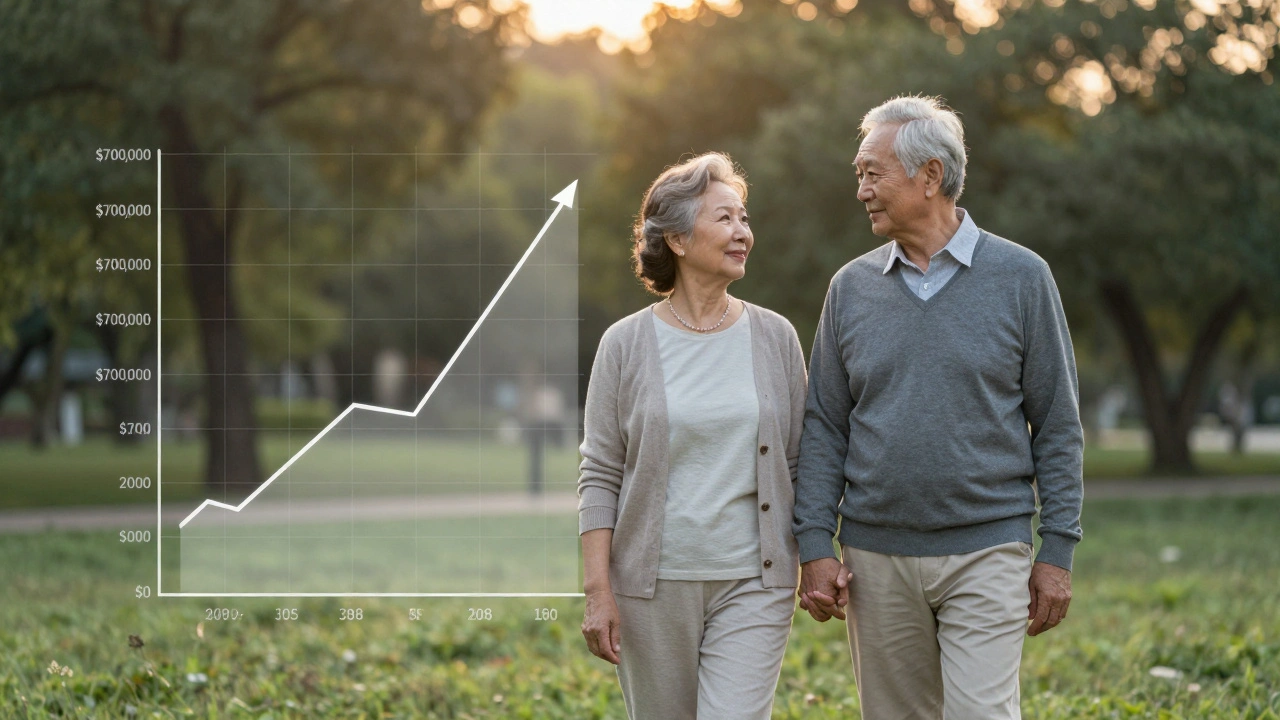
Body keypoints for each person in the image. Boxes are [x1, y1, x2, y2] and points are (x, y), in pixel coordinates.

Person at [792, 95, 1084, 719]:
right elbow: (823, 425)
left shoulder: (1023, 278)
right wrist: (815, 542)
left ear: (930, 176)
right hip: (874, 557)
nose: (862, 189)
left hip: (989, 549)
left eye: (874, 173)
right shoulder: (849, 288)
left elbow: (1058, 425)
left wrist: (1056, 550)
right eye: (859, 174)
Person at [577, 152, 808, 719]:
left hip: (755, 581)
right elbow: (600, 474)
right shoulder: (624, 344)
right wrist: (598, 590)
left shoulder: (776, 337)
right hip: (649, 589)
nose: (743, 233)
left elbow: (804, 462)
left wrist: (821, 557)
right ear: (677, 239)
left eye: (745, 219)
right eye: (725, 219)